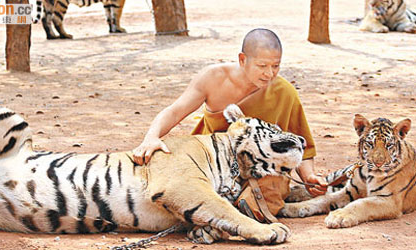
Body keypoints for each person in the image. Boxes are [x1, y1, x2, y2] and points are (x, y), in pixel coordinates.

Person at [133, 28, 327, 197]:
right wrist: (151, 136)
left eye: (275, 66)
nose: (269, 74)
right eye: (262, 66)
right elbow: (175, 111)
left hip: (255, 170)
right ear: (243, 60)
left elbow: (302, 143)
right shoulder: (213, 78)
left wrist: (309, 176)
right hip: (210, 163)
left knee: (269, 191)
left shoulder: (284, 92)